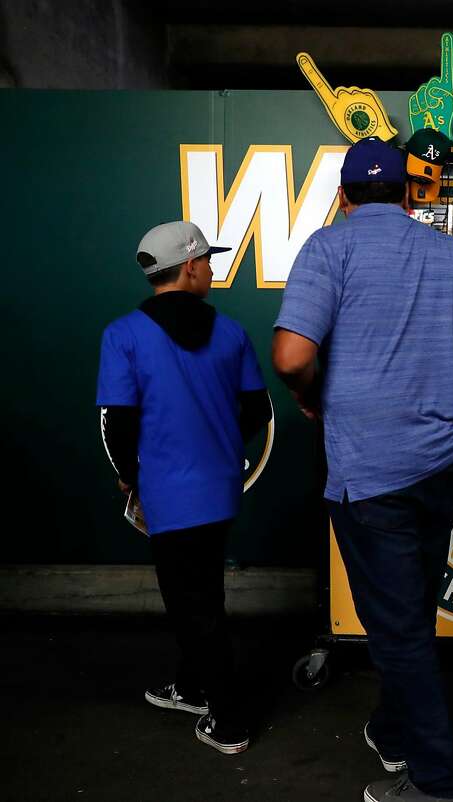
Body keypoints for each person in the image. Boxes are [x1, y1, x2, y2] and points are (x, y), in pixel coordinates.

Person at [272, 136, 453, 802]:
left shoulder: (327, 247)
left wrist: (311, 395)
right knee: (411, 609)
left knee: (396, 629)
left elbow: (288, 357)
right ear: (409, 192)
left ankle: (440, 783)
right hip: (443, 466)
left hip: (371, 471)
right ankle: (395, 732)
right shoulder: (449, 252)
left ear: (341, 195)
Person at [96, 220, 271, 755]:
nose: (213, 270)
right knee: (203, 595)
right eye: (210, 262)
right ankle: (192, 687)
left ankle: (229, 721)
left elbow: (116, 422)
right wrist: (219, 450)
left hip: (166, 493)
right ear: (190, 266)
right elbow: (257, 410)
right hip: (220, 488)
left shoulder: (122, 333)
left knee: (193, 606)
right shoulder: (233, 332)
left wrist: (129, 475)